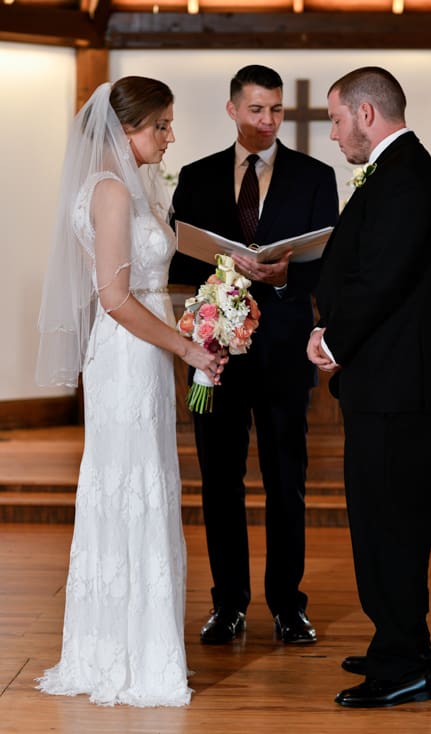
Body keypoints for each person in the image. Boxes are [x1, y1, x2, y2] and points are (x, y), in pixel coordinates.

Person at [35, 77, 224, 707]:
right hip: (127, 356)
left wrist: (202, 317)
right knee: (130, 489)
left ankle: (140, 644)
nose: (170, 137)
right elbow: (114, 300)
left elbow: (140, 289)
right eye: (161, 126)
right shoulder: (112, 192)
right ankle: (127, 656)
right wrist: (188, 347)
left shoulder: (128, 188)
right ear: (127, 127)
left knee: (146, 488)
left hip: (143, 353)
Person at [169, 64, 338, 646]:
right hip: (214, 351)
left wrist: (287, 274)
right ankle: (228, 605)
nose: (267, 121)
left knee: (286, 479)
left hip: (284, 349)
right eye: (256, 110)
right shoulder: (196, 177)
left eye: (276, 111)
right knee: (219, 479)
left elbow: (330, 263)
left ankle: (289, 606)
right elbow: (180, 264)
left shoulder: (315, 177)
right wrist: (222, 272)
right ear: (232, 110)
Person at [307, 66, 431, 708]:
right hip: (387, 383)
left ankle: (405, 667)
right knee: (377, 522)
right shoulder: (399, 172)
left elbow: (382, 280)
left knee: (391, 526)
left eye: (337, 121)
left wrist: (332, 342)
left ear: (367, 114)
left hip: (395, 387)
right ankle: (394, 640)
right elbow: (363, 266)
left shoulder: (404, 178)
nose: (335, 135)